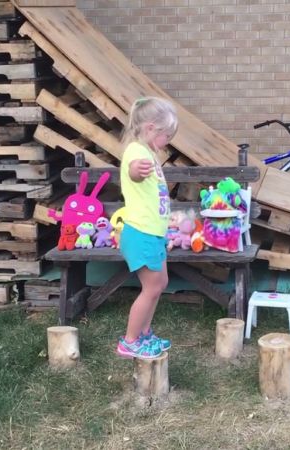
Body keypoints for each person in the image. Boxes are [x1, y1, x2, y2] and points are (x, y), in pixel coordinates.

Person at [115, 97, 178, 359]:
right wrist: (136, 172)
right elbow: (132, 172)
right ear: (151, 128)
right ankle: (129, 342)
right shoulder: (136, 151)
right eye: (166, 135)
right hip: (140, 233)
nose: (168, 141)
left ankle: (143, 334)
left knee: (159, 283)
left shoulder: (150, 152)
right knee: (151, 287)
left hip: (153, 233)